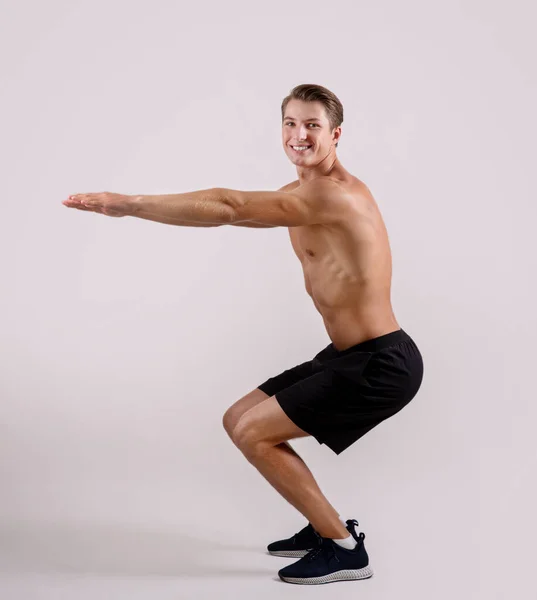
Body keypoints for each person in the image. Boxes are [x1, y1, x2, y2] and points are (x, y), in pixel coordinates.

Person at [63, 83, 424, 585]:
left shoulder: (332, 195)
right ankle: (327, 527)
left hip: (380, 364)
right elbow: (232, 213)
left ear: (336, 134)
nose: (299, 135)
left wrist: (129, 204)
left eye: (312, 126)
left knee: (256, 433)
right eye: (290, 124)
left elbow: (228, 205)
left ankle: (344, 549)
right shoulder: (298, 195)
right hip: (348, 355)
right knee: (238, 418)